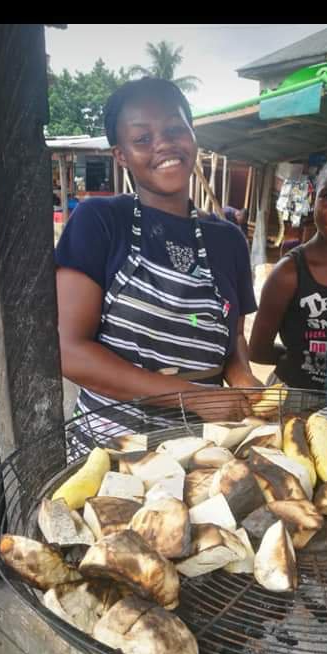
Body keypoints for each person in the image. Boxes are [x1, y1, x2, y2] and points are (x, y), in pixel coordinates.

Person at [55, 78, 262, 434]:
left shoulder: (229, 240)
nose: (164, 144)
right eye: (142, 139)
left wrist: (242, 376)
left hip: (206, 448)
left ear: (192, 135)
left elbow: (233, 339)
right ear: (120, 155)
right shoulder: (100, 221)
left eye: (174, 129)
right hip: (113, 446)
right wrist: (192, 396)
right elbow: (68, 351)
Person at [249, 153, 327, 389]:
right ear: (313, 199)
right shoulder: (288, 273)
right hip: (297, 394)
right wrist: (299, 359)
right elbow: (257, 350)